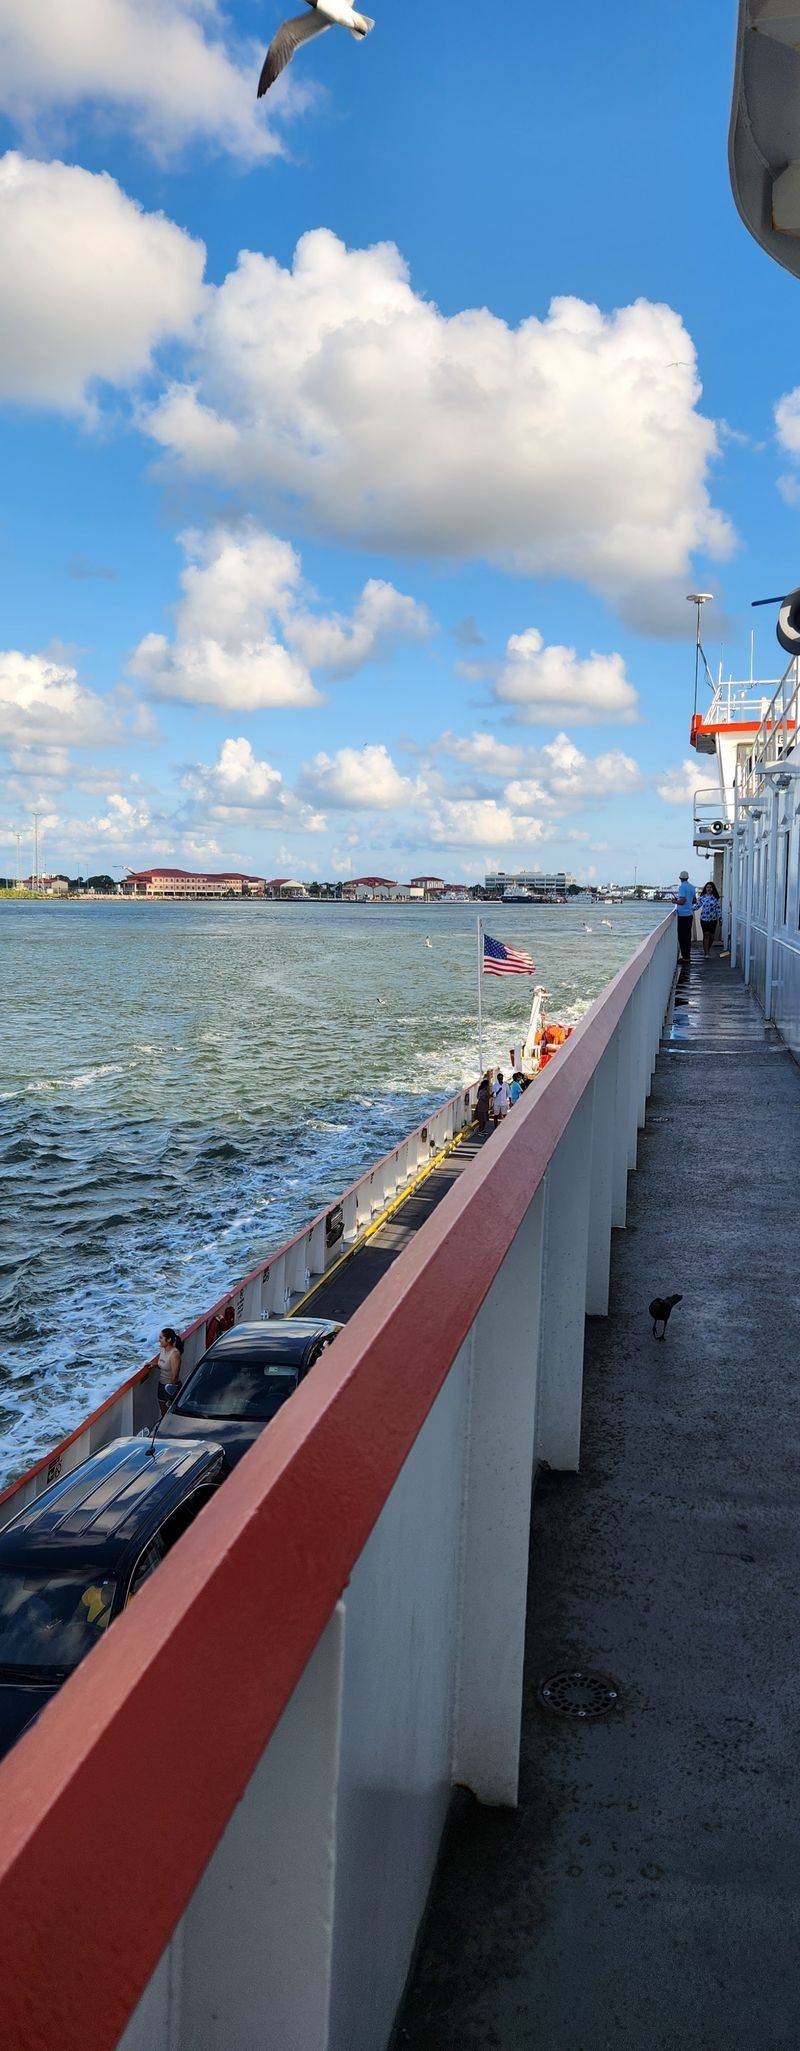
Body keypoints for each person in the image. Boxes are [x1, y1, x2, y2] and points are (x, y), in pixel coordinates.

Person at [157, 1327, 184, 1416]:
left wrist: (170, 1391)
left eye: (161, 1338)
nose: (159, 1340)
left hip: (170, 1387)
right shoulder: (162, 1349)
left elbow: (175, 1375)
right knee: (163, 1412)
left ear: (168, 1340)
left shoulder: (174, 1354)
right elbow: (163, 1363)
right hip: (161, 1385)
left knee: (172, 1413)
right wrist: (154, 1364)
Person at [673, 871, 698, 963]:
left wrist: (675, 901)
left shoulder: (682, 887)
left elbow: (682, 901)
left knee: (681, 937)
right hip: (689, 914)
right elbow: (694, 901)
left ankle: (685, 957)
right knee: (687, 936)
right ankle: (688, 956)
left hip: (682, 915)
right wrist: (687, 902)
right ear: (688, 878)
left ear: (680, 878)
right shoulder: (692, 887)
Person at [698, 877, 720, 958]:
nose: (708, 889)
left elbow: (718, 909)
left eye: (710, 887)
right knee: (706, 935)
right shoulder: (702, 897)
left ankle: (708, 949)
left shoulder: (715, 898)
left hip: (713, 920)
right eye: (707, 887)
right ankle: (706, 953)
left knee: (712, 937)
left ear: (712, 888)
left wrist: (720, 918)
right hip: (704, 919)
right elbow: (697, 906)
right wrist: (688, 908)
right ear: (705, 888)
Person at [475, 1074, 492, 1138]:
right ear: (485, 1085)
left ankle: (482, 1130)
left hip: (485, 1107)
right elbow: (483, 1098)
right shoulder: (482, 1091)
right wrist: (489, 1096)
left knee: (485, 1119)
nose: (489, 1086)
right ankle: (480, 1131)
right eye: (488, 1085)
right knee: (481, 1119)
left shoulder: (486, 1091)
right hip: (481, 1107)